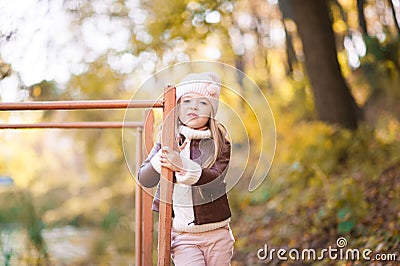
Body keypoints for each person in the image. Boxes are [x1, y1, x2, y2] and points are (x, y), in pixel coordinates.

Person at [137, 72, 235, 265]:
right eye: (187, 100)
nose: (194, 106)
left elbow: (214, 179)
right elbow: (145, 178)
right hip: (183, 236)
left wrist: (182, 166)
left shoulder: (219, 142)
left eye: (203, 102)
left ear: (211, 111)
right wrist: (162, 159)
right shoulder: (167, 139)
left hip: (217, 232)